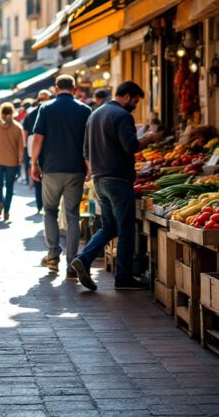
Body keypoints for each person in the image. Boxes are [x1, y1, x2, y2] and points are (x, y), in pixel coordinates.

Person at [71, 81, 159, 291]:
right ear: (127, 96)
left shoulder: (95, 114)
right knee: (126, 229)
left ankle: (83, 259)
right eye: (135, 102)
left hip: (100, 180)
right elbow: (131, 146)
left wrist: (95, 170)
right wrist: (147, 137)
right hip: (118, 180)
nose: (134, 106)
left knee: (109, 226)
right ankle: (124, 278)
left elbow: (85, 151)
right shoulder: (122, 116)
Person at [31, 76, 91, 279]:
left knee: (49, 210)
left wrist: (33, 163)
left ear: (56, 89)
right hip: (76, 169)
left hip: (51, 168)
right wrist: (89, 166)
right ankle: (72, 264)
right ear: (74, 89)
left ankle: (53, 255)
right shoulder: (84, 110)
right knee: (73, 214)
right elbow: (88, 142)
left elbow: (38, 138)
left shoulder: (46, 108)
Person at [0, 102, 24, 222]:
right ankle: (7, 210)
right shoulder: (17, 127)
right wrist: (20, 159)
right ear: (12, 112)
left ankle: (0, 202)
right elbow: (21, 147)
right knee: (10, 186)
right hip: (12, 160)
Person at [23, 90, 51, 212]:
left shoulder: (30, 113)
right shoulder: (51, 111)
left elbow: (25, 132)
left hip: (32, 148)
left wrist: (26, 150)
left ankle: (40, 205)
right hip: (49, 149)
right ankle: (47, 205)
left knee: (38, 180)